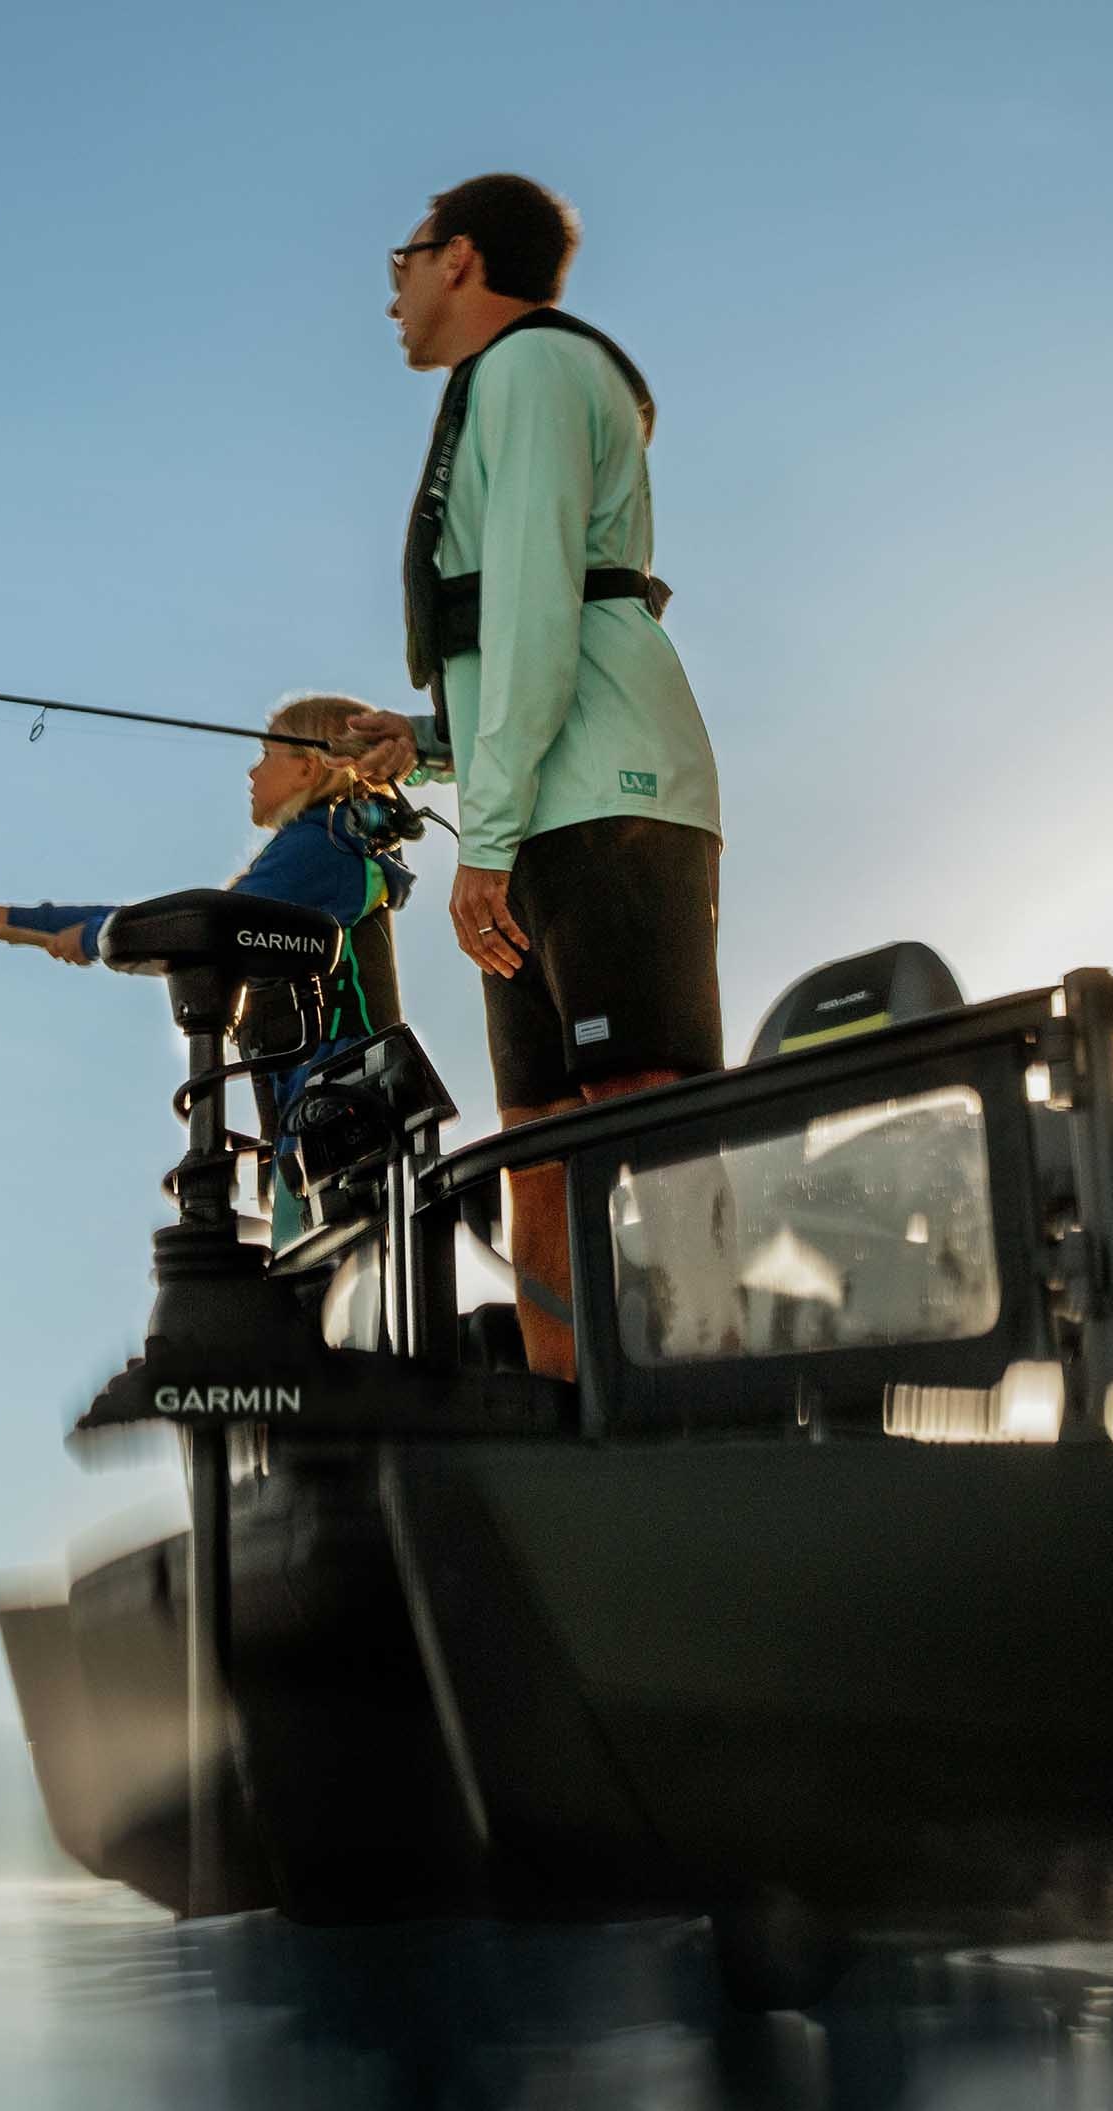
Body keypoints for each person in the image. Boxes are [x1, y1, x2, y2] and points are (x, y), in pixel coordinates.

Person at [348, 173, 723, 1380]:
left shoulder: (531, 371)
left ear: (457, 258)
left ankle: (696, 1403)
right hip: (542, 806)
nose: (390, 292)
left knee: (637, 1110)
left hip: (605, 803)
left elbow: (531, 613)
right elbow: (513, 643)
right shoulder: (499, 385)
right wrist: (430, 741)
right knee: (540, 1142)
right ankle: (568, 1428)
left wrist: (485, 843)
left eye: (399, 260)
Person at [0, 692, 426, 1237]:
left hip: (338, 1122)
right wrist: (5, 923)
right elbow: (190, 922)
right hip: (333, 1119)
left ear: (308, 767)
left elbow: (201, 929)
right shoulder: (335, 846)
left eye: (266, 755)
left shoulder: (322, 846)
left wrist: (92, 937)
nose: (252, 770)